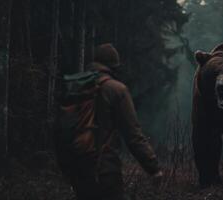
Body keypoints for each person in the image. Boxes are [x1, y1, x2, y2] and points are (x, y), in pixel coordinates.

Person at [63, 43, 162, 200]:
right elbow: (133, 135)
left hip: (78, 168)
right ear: (113, 66)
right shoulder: (116, 89)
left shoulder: (76, 89)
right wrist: (153, 167)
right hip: (106, 169)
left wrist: (66, 167)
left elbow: (62, 129)